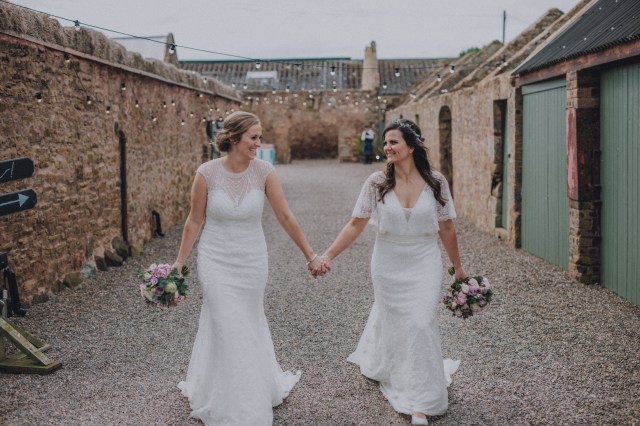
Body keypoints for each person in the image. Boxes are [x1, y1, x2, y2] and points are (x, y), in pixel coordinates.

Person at [173, 111, 324, 425]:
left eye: (259, 137)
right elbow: (195, 220)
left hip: (252, 260)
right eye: (253, 137)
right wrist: (178, 264)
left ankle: (249, 387)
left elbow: (285, 216)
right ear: (233, 138)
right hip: (215, 259)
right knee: (227, 321)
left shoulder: (264, 172)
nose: (259, 143)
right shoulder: (206, 173)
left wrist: (310, 255)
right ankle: (237, 403)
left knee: (246, 321)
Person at [314, 119, 465, 425]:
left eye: (393, 142)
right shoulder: (376, 182)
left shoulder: (436, 182)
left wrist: (459, 269)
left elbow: (447, 227)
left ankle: (421, 401)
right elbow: (356, 223)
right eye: (385, 142)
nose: (387, 147)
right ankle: (394, 366)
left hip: (424, 260)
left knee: (421, 323)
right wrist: (327, 255)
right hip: (387, 262)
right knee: (396, 322)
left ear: (411, 146)